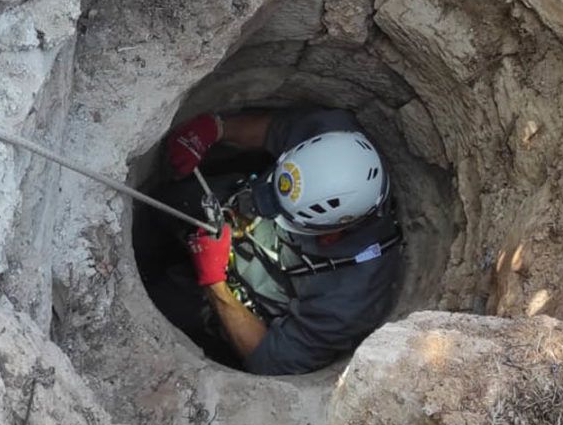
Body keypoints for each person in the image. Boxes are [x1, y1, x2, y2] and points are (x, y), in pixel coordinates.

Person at [139, 107, 403, 375]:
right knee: (162, 204)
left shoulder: (350, 299)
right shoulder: (332, 139)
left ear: (331, 232)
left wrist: (214, 284)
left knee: (158, 308)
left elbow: (271, 359)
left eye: (282, 214)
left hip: (233, 293)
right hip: (227, 205)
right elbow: (276, 130)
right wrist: (215, 129)